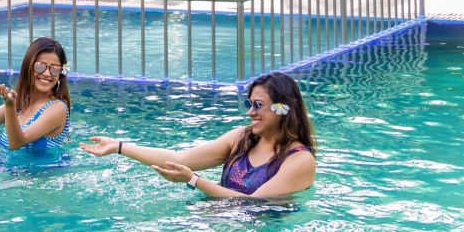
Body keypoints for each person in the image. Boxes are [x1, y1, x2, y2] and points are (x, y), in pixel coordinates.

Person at [81, 71, 315, 198]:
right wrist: (120, 146)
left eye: (258, 105)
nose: (250, 112)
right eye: (249, 104)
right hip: (213, 220)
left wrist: (194, 180)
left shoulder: (299, 160)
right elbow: (180, 159)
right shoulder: (240, 138)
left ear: (281, 109)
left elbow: (253, 204)